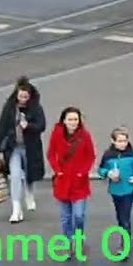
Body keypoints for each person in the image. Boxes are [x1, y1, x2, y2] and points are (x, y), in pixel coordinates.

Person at [0, 77, 46, 224]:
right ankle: (16, 208)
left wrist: (28, 126)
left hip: (30, 146)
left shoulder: (36, 108)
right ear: (16, 94)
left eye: (26, 97)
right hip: (13, 147)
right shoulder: (9, 108)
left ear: (30, 96)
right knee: (14, 175)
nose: (23, 99)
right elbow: (1, 128)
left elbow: (42, 125)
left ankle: (29, 192)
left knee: (29, 172)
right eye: (20, 96)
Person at [46, 105, 95, 257]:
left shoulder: (84, 136)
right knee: (66, 217)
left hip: (79, 183)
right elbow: (50, 153)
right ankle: (68, 242)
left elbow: (91, 155)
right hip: (62, 181)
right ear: (64, 121)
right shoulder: (56, 134)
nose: (73, 122)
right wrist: (57, 170)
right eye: (70, 119)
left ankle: (78, 238)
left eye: (75, 119)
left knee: (79, 215)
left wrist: (83, 172)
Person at [96, 126, 133, 256]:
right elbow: (100, 170)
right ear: (113, 141)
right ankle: (124, 234)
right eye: (119, 141)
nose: (123, 144)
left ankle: (125, 246)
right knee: (120, 216)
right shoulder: (108, 155)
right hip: (115, 190)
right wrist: (108, 173)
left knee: (125, 216)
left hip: (129, 189)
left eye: (124, 141)